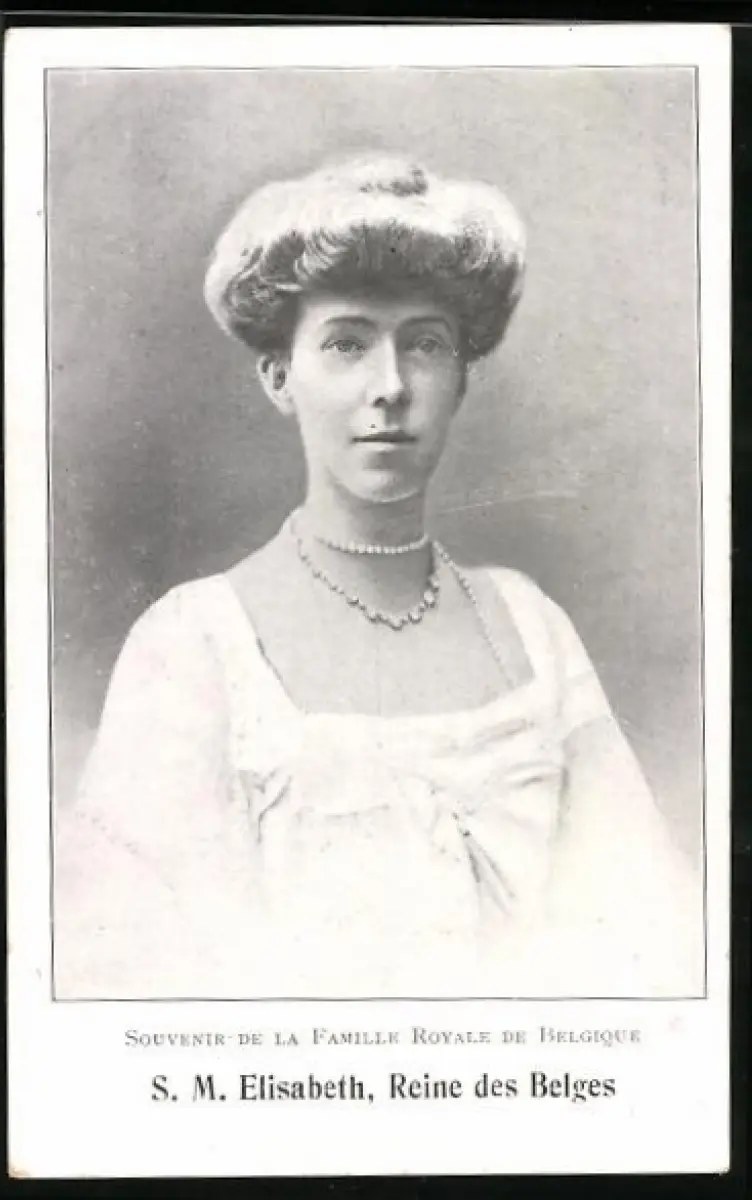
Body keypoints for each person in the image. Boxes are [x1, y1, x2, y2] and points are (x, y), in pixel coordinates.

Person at [54, 154, 702, 999]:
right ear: (279, 377)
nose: (390, 387)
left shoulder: (530, 626)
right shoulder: (192, 645)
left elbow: (648, 942)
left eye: (424, 344)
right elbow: (139, 982)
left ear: (463, 377)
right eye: (346, 345)